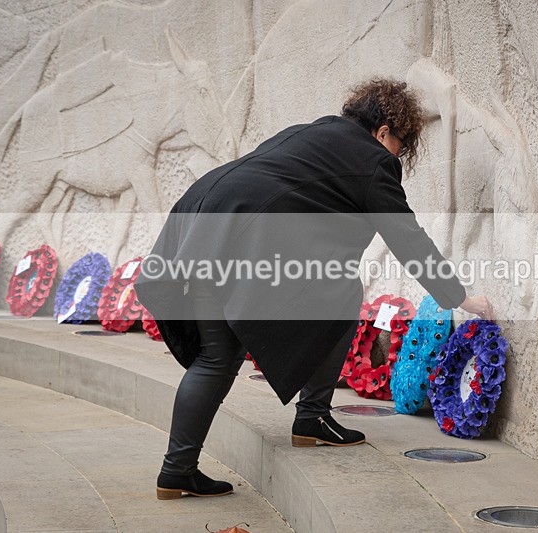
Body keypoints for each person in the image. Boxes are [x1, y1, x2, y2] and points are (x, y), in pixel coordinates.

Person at [135, 78, 492, 500]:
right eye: (400, 146)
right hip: (242, 232)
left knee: (217, 357)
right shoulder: (374, 160)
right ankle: (312, 417)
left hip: (203, 218)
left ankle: (178, 470)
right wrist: (459, 297)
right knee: (342, 292)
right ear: (383, 132)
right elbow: (407, 238)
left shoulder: (314, 132)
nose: (397, 156)